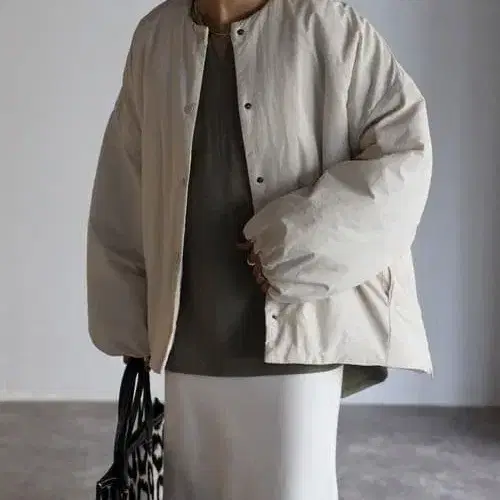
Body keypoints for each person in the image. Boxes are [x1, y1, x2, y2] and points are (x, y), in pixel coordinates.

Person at [87, 0, 433, 498]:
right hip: (187, 339)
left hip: (297, 332)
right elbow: (125, 180)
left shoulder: (328, 26)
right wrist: (128, 316)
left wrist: (300, 243)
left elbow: (405, 156)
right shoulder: (156, 37)